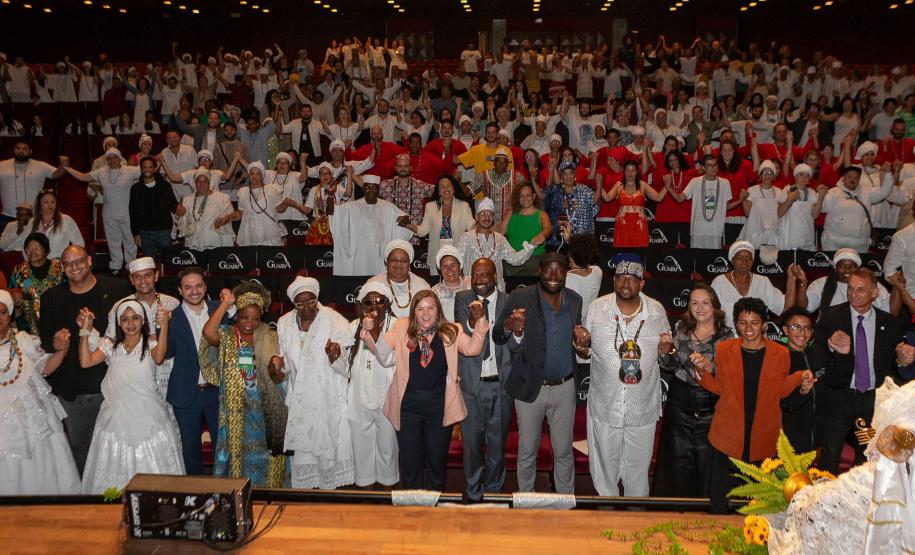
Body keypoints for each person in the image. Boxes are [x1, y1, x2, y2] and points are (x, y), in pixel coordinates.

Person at [692, 297, 813, 514]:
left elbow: (780, 392)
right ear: (736, 324)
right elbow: (719, 388)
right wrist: (701, 372)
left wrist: (798, 378)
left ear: (764, 324)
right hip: (726, 437)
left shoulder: (780, 354)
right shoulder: (724, 349)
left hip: (764, 437)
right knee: (719, 503)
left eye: (754, 322)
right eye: (743, 322)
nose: (749, 328)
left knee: (760, 507)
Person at [360, 289, 488, 491]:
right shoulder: (402, 328)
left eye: (431, 308)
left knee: (437, 466)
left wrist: (480, 322)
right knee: (410, 466)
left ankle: (435, 513)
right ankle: (412, 512)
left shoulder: (450, 331)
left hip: (439, 408)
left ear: (438, 310)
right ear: (413, 312)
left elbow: (473, 349)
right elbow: (381, 351)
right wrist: (370, 330)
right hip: (408, 407)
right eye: (420, 309)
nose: (426, 313)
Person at [578, 253, 670, 497]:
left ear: (642, 283)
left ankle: (636, 520)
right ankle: (606, 516)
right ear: (613, 280)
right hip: (605, 406)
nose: (626, 283)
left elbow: (667, 355)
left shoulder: (657, 311)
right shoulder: (596, 309)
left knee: (638, 474)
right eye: (621, 277)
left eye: (632, 278)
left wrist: (665, 350)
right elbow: (584, 351)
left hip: (642, 408)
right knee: (604, 471)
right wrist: (580, 345)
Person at [494, 253, 583, 494]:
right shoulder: (520, 296)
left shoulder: (574, 300)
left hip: (564, 387)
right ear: (539, 271)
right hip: (529, 386)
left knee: (564, 451)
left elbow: (578, 341)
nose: (553, 276)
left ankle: (565, 502)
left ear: (566, 273)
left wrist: (582, 343)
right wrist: (509, 326)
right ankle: (526, 501)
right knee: (527, 450)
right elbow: (498, 335)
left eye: (559, 271)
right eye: (548, 270)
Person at [38, 245, 132, 475]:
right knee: (79, 446)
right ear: (62, 268)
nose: (74, 267)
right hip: (71, 391)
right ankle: (84, 499)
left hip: (109, 386)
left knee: (112, 446)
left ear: (89, 261)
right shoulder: (51, 297)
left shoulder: (117, 288)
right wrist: (58, 343)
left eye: (78, 261)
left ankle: (111, 495)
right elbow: (46, 342)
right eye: (68, 264)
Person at [78, 298, 185, 493]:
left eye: (135, 318)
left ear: (143, 321)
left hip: (148, 414)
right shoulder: (111, 346)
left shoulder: (150, 343)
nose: (131, 324)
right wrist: (85, 330)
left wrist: (164, 326)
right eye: (125, 319)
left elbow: (160, 357)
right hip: (115, 415)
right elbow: (85, 362)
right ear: (119, 323)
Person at [812, 269, 910, 474]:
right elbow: (815, 351)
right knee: (829, 456)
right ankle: (823, 502)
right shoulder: (831, 316)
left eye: (860, 290)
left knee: (866, 458)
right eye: (850, 289)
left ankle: (860, 503)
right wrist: (831, 345)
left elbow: (896, 365)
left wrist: (902, 359)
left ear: (874, 293)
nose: (853, 294)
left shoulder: (890, 324)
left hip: (871, 402)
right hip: (839, 398)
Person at [201, 281, 288, 487]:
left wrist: (277, 365)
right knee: (237, 454)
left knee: (266, 455)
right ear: (236, 316)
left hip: (265, 410)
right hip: (235, 412)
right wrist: (225, 304)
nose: (250, 323)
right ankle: (236, 492)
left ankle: (269, 492)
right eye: (244, 317)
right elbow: (208, 333)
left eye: (255, 318)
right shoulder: (227, 335)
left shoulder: (271, 336)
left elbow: (282, 374)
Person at [651, 282, 733, 498]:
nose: (700, 308)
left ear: (715, 305)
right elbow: (668, 366)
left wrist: (709, 368)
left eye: (705, 302)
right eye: (694, 303)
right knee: (677, 463)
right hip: (680, 403)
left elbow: (730, 376)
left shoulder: (727, 336)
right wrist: (664, 351)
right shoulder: (681, 329)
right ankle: (676, 511)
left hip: (711, 406)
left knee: (707, 463)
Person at [277, 276, 355, 489]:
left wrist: (335, 355)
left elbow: (349, 367)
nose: (306, 308)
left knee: (328, 458)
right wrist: (278, 366)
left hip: (328, 397)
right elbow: (285, 366)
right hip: (300, 402)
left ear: (317, 298)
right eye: (300, 303)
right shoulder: (284, 323)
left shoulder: (334, 320)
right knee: (305, 458)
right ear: (293, 304)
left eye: (311, 301)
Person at [0, 289, 80, 495]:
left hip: (32, 418)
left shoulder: (23, 341)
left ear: (9, 315)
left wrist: (61, 350)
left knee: (41, 469)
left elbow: (45, 368)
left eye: (1, 312)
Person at [452, 258, 514, 502]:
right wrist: (472, 319)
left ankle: (494, 495)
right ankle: (474, 495)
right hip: (472, 385)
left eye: (484, 275)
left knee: (497, 447)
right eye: (475, 275)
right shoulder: (463, 298)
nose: (479, 280)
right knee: (472, 447)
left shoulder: (510, 301)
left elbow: (515, 340)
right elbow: (463, 330)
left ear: (495, 277)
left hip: (500, 385)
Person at [164, 266, 224, 475]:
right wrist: (162, 328)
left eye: (198, 285)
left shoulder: (220, 309)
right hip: (185, 394)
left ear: (205, 287)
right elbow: (167, 353)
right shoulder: (170, 318)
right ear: (179, 290)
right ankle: (196, 498)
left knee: (222, 450)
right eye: (188, 287)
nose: (194, 291)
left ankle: (224, 497)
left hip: (217, 392)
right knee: (190, 452)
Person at [346, 282, 399, 488]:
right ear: (362, 305)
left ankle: (388, 494)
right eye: (368, 301)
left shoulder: (396, 325)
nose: (374, 305)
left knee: (387, 449)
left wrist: (374, 330)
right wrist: (334, 356)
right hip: (359, 397)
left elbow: (391, 358)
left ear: (387, 304)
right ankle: (366, 493)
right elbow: (344, 365)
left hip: (387, 397)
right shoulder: (353, 326)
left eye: (379, 301)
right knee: (361, 449)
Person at [61, 149, 141, 274]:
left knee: (129, 240)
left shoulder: (130, 170)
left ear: (120, 158)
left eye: (115, 157)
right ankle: (116, 265)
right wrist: (67, 168)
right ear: (106, 160)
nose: (112, 160)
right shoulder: (101, 172)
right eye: (109, 158)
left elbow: (148, 169)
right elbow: (83, 177)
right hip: (109, 213)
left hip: (127, 213)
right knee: (113, 241)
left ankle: (131, 265)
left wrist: (161, 162)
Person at [331, 175, 412, 276]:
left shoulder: (387, 207)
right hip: (361, 255)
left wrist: (406, 218)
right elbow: (334, 214)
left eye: (374, 187)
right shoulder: (352, 206)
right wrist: (330, 195)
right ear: (363, 188)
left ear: (378, 189)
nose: (370, 190)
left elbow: (404, 218)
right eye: (367, 187)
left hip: (380, 254)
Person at [457, 197, 539, 292]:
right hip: (472, 287)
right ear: (476, 217)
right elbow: (459, 261)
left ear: (493, 218)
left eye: (489, 214)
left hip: (496, 289)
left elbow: (514, 259)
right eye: (483, 214)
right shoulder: (466, 237)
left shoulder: (500, 238)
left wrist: (530, 247)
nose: (486, 217)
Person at [401, 175, 475, 277]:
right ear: (439, 191)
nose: (446, 189)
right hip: (436, 251)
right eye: (442, 186)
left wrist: (483, 223)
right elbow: (423, 231)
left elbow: (472, 227)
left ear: (454, 189)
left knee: (457, 284)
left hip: (457, 252)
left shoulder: (464, 206)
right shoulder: (430, 206)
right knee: (437, 285)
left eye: (448, 185)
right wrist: (408, 225)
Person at [710, 241, 793, 330]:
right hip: (728, 339)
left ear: (752, 262)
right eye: (740, 257)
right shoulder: (719, 282)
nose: (744, 261)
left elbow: (786, 307)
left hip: (758, 340)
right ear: (732, 260)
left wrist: (791, 279)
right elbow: (710, 314)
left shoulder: (763, 282)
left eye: (748, 258)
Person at [779, 307, 827, 453]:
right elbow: (782, 402)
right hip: (789, 433)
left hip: (815, 431)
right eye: (796, 327)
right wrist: (802, 391)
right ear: (785, 330)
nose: (802, 333)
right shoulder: (779, 357)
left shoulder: (817, 352)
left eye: (807, 328)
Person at [821, 165, 894, 253]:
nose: (853, 179)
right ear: (843, 177)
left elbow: (884, 192)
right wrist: (820, 195)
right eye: (850, 177)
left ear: (859, 180)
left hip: (860, 242)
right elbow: (820, 208)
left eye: (856, 177)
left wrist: (888, 174)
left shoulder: (866, 192)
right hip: (834, 240)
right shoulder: (833, 192)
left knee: (860, 266)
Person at [667, 154, 733, 249]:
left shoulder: (725, 183)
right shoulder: (695, 181)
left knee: (713, 261)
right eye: (709, 166)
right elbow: (679, 199)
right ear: (703, 167)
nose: (713, 168)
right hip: (698, 230)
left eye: (715, 165)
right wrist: (668, 188)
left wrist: (741, 200)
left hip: (716, 231)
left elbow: (726, 207)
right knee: (698, 260)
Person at [798, 248, 891, 313]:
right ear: (835, 268)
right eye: (842, 265)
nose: (847, 269)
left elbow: (888, 311)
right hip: (828, 330)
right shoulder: (821, 283)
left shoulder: (870, 284)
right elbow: (804, 308)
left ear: (858, 268)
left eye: (852, 266)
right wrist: (802, 283)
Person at [8, 233, 64, 335]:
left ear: (46, 250)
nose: (32, 251)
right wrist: (16, 300)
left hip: (57, 321)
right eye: (29, 248)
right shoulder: (19, 270)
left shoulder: (59, 268)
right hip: (27, 325)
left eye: (37, 248)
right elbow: (11, 295)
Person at [603, 160, 667, 247]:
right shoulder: (618, 185)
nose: (630, 173)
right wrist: (599, 186)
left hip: (639, 225)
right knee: (622, 252)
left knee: (639, 252)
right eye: (627, 170)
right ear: (624, 172)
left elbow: (658, 197)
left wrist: (667, 186)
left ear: (637, 172)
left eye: (633, 170)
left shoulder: (643, 185)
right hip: (622, 225)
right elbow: (607, 198)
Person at [0, 142, 65, 226]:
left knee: (33, 239)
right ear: (13, 150)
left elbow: (56, 174)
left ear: (30, 151)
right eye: (18, 148)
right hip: (7, 215)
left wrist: (64, 165)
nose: (21, 151)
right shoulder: (1, 165)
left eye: (24, 149)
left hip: (34, 215)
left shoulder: (40, 165)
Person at [129, 156, 182, 258]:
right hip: (144, 233)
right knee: (149, 262)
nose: (147, 170)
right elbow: (133, 212)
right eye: (144, 167)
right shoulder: (135, 189)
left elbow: (173, 204)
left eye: (150, 167)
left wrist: (179, 209)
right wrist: (135, 233)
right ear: (141, 169)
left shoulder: (165, 186)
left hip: (164, 231)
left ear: (154, 169)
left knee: (167, 262)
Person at [365, 239, 432, 318]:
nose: (398, 264)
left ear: (409, 264)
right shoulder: (373, 283)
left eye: (403, 260)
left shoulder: (422, 285)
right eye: (394, 260)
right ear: (386, 262)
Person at [542, 160, 600, 248]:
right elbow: (542, 195)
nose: (568, 176)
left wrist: (599, 186)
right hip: (562, 240)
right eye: (565, 174)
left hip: (583, 240)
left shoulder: (583, 190)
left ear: (575, 175)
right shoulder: (557, 193)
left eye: (571, 173)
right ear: (561, 176)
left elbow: (594, 202)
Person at [230, 161, 289, 247]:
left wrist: (286, 203)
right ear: (249, 176)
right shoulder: (243, 192)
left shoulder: (271, 189)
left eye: (258, 174)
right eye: (252, 174)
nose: (254, 176)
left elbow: (280, 209)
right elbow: (240, 214)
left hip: (269, 233)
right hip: (249, 233)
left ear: (262, 176)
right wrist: (227, 217)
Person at [175, 169, 237, 250]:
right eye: (198, 182)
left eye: (205, 181)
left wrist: (225, 219)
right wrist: (181, 214)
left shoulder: (221, 198)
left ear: (209, 183)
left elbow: (231, 215)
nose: (201, 184)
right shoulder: (187, 200)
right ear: (195, 183)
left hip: (214, 242)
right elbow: (183, 222)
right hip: (194, 242)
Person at [501, 181, 552, 276]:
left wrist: (542, 235)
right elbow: (501, 232)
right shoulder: (511, 212)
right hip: (511, 262)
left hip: (534, 262)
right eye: (521, 196)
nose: (525, 199)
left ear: (533, 196)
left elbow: (548, 229)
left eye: (528, 195)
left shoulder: (541, 214)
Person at [777, 163, 828, 251]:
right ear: (795, 176)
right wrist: (789, 200)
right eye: (801, 174)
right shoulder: (787, 189)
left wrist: (821, 196)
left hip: (806, 238)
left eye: (807, 176)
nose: (804, 178)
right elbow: (779, 213)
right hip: (789, 238)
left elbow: (815, 215)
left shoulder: (811, 192)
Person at [738, 160, 783, 249]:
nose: (767, 175)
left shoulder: (779, 192)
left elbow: (781, 213)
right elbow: (748, 213)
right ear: (760, 176)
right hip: (754, 232)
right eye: (764, 172)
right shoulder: (752, 190)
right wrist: (743, 200)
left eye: (770, 172)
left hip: (773, 234)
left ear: (774, 176)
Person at [430, 245, 470, 322]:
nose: (449, 270)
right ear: (440, 269)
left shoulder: (471, 284)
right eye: (445, 266)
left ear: (459, 266)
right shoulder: (434, 292)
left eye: (453, 265)